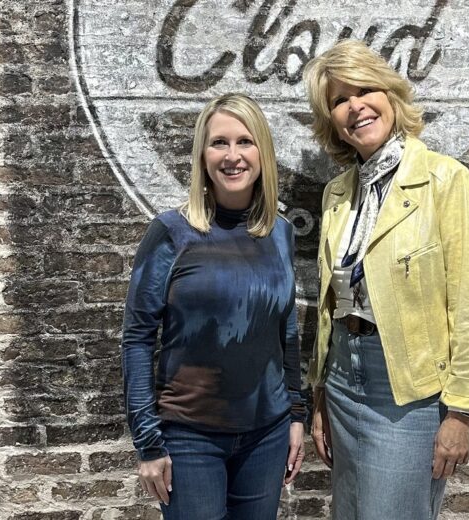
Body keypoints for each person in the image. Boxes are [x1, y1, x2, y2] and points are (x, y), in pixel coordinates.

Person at [303, 39, 469, 520]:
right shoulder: (338, 194)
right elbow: (331, 306)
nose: (355, 107)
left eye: (365, 90)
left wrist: (461, 413)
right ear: (332, 121)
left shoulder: (444, 180)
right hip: (343, 379)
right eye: (339, 100)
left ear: (390, 95)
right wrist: (321, 396)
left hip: (407, 389)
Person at [120, 93, 305, 520]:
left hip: (267, 434)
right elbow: (137, 339)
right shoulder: (171, 232)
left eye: (245, 141)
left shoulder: (279, 232)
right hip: (189, 438)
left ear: (263, 153)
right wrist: (148, 442)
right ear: (202, 155)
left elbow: (286, 331)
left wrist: (296, 413)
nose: (233, 156)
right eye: (219, 142)